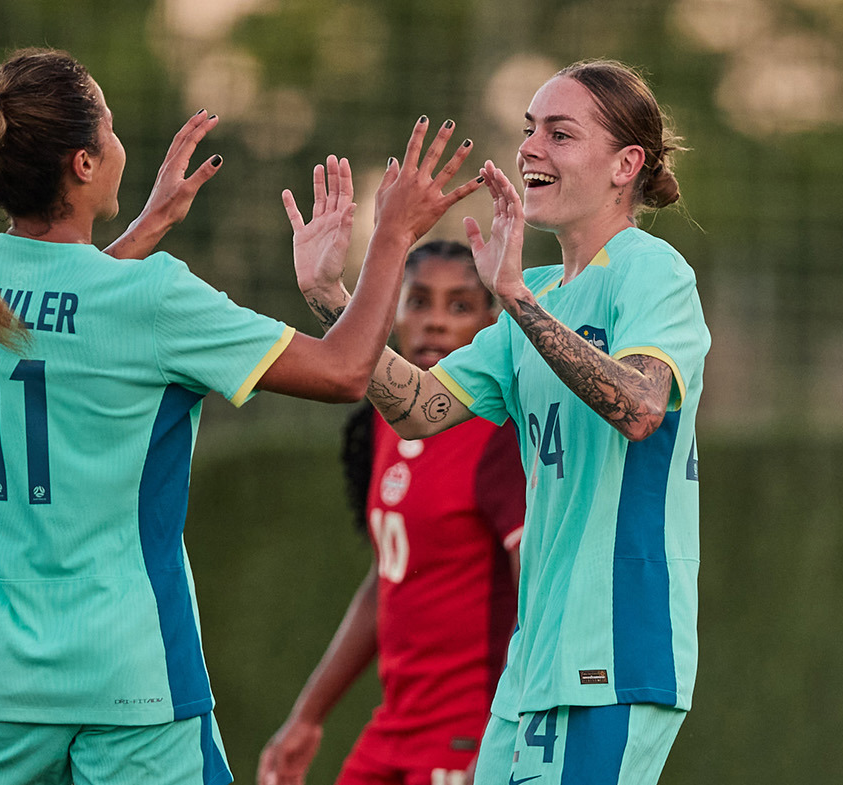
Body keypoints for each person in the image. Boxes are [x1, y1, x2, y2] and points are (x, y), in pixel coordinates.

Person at [0, 48, 482, 785]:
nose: (122, 145)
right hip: (128, 685)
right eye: (110, 130)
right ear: (85, 164)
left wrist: (140, 231)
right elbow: (344, 371)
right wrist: (393, 236)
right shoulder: (152, 299)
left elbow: (59, 317)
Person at [292, 60, 711, 785]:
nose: (530, 149)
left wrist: (515, 297)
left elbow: (641, 408)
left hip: (615, 654)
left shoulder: (652, 271)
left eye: (560, 133)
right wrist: (332, 294)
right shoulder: (537, 292)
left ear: (625, 165)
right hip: (532, 668)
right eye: (528, 131)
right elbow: (418, 407)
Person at [258, 241, 526, 785]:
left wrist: (507, 733)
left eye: (459, 306)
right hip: (394, 728)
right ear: (393, 311)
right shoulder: (389, 421)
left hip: (468, 735)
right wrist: (306, 718)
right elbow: (389, 578)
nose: (434, 323)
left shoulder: (498, 433)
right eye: (419, 301)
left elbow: (536, 592)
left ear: (490, 321)